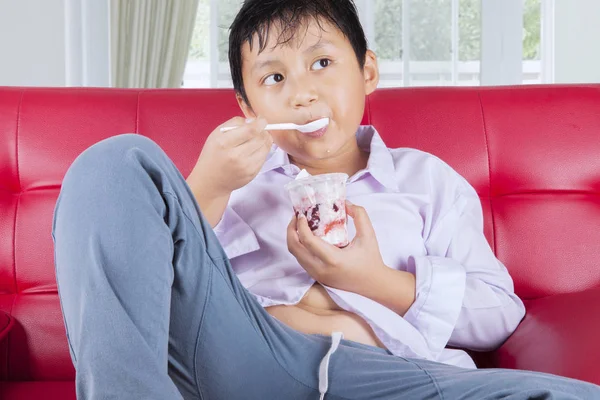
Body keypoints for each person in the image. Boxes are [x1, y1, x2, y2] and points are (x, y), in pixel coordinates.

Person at [52, 0, 600, 399]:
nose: (302, 92)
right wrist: (211, 187)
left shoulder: (427, 181)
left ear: (367, 71)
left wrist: (370, 280)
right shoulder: (232, 182)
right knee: (112, 161)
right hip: (240, 364)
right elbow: (152, 298)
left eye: (321, 63)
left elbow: (499, 315)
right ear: (247, 105)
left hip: (391, 375)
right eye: (273, 77)